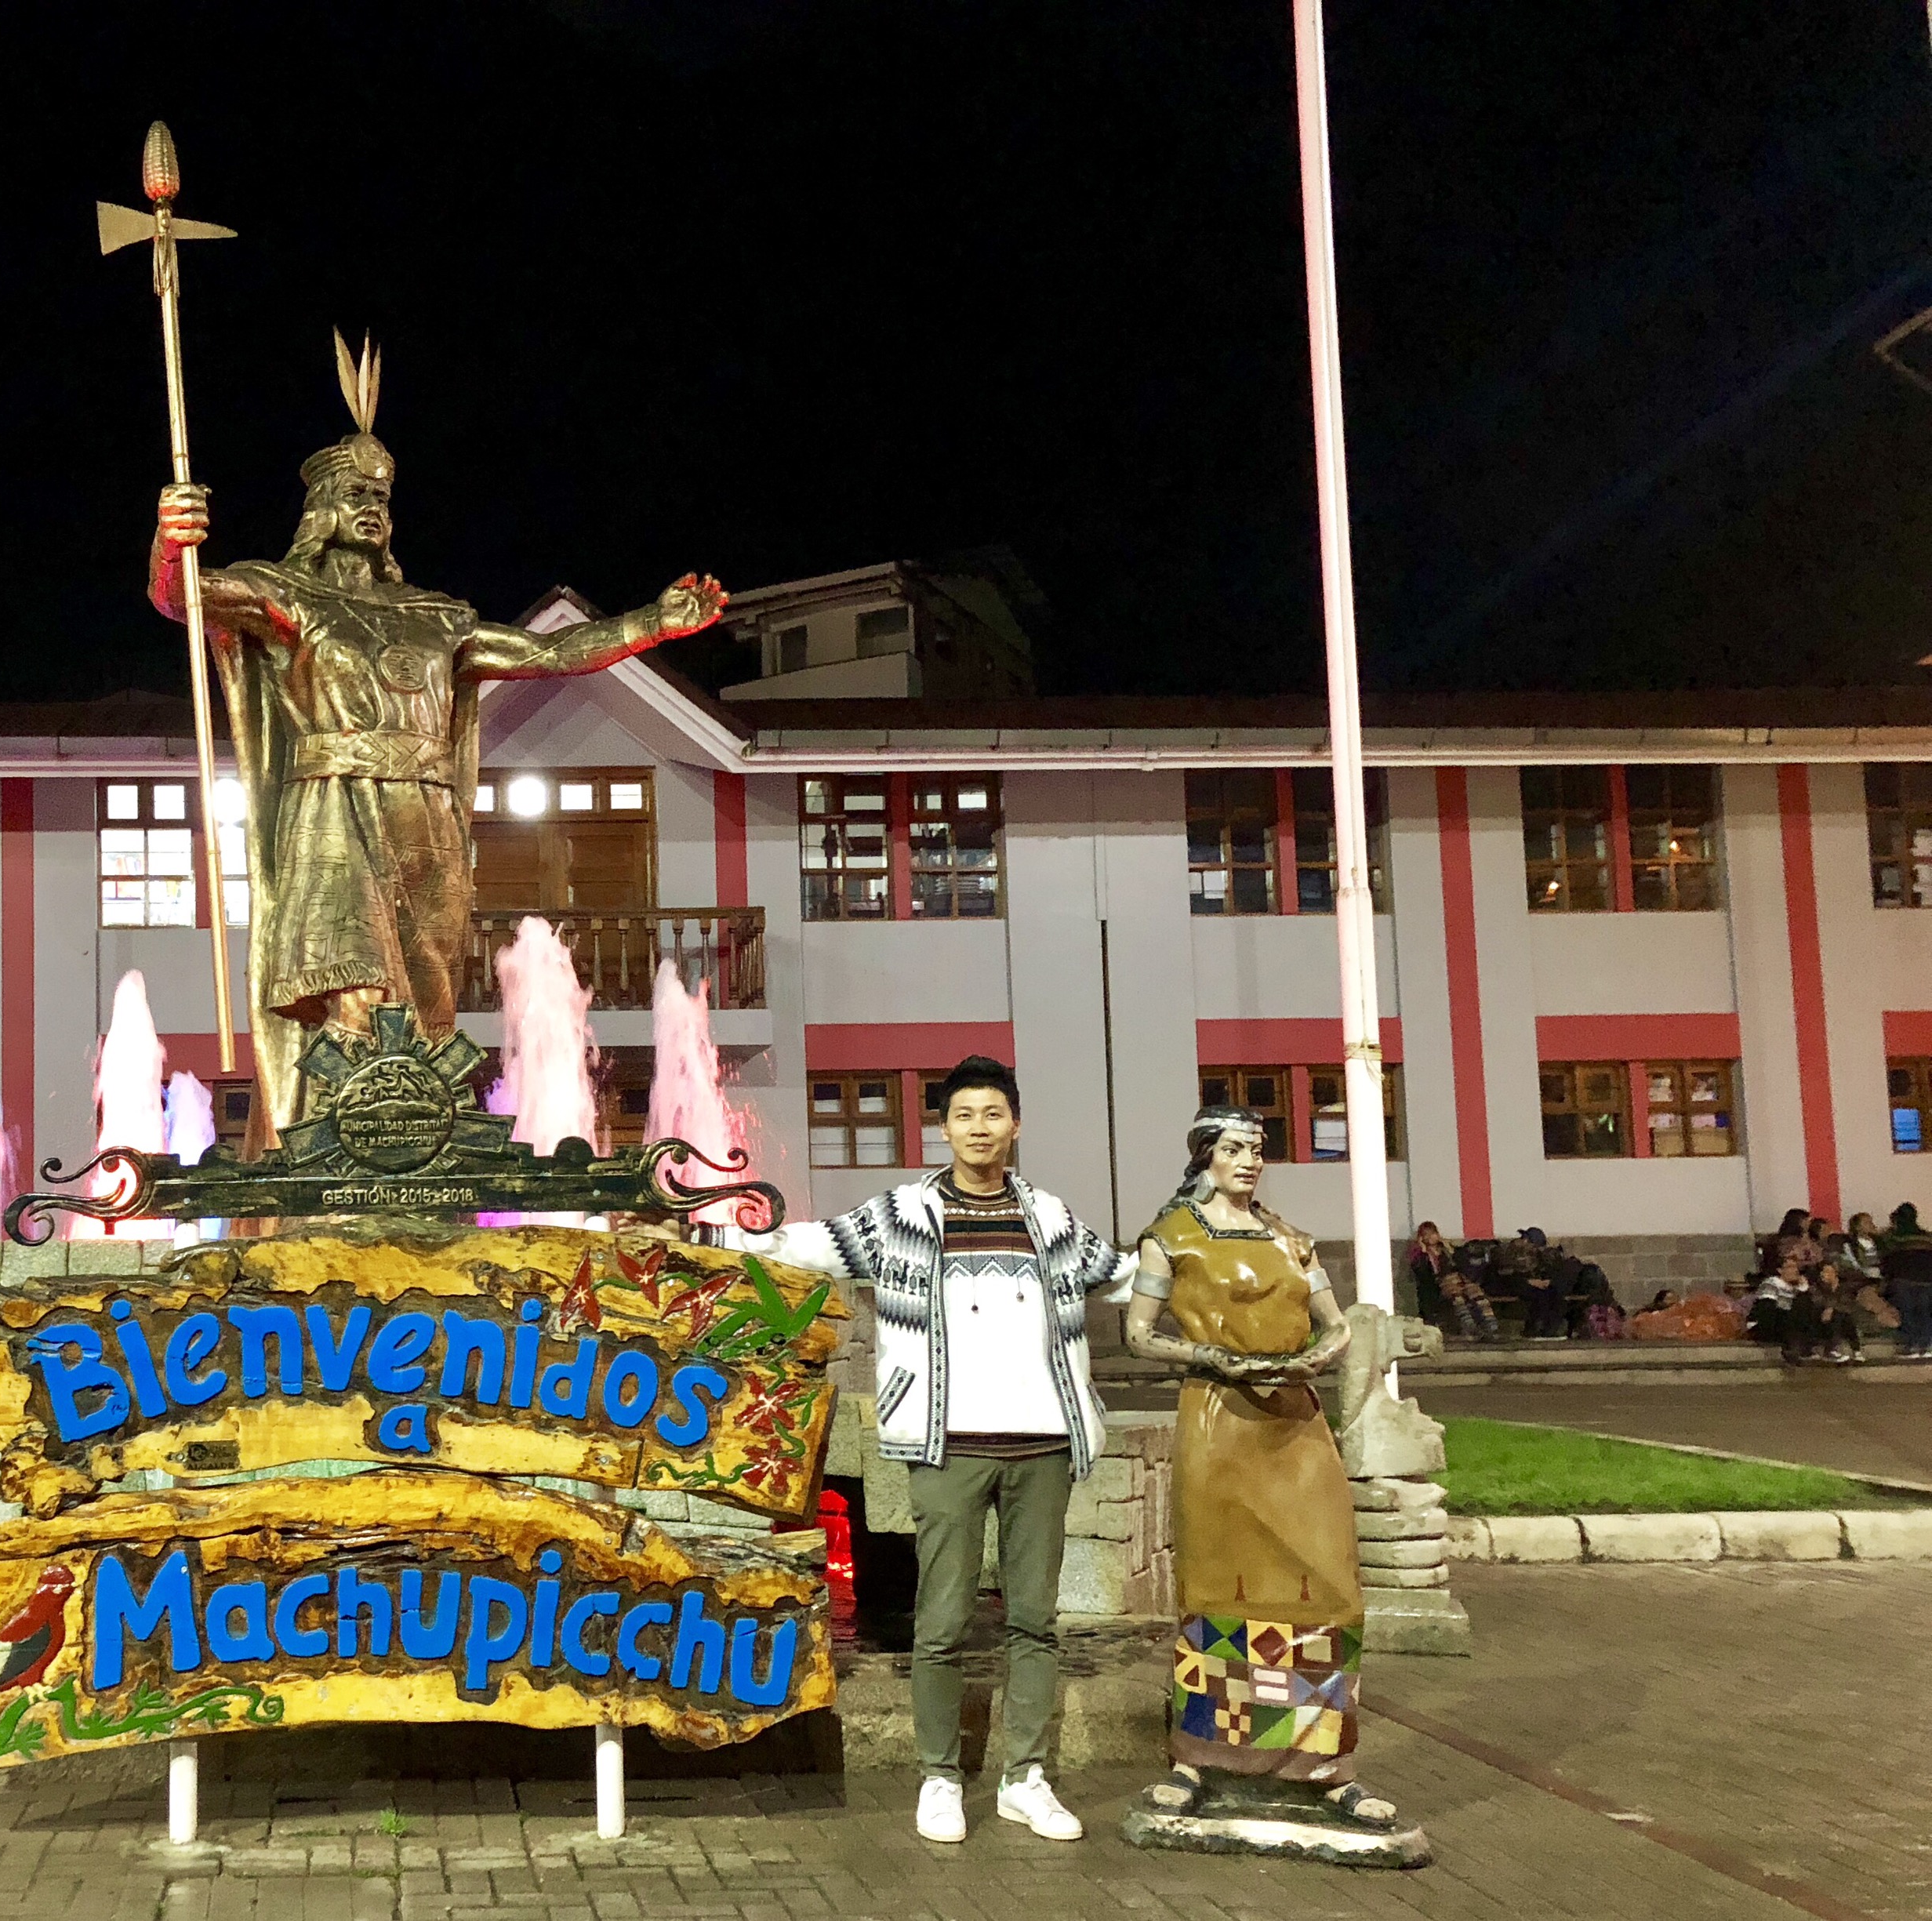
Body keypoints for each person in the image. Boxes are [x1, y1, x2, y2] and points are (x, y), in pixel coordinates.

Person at [148, 338, 727, 1150]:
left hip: (426, 820)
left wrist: (650, 624)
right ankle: (346, 1154)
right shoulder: (288, 594)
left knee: (420, 1002)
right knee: (352, 982)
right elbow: (186, 597)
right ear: (320, 507)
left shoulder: (436, 616)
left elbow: (547, 653)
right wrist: (172, 542)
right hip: (334, 806)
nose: (372, 506)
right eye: (355, 492)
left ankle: (415, 1152)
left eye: (382, 495)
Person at [728, 1055, 1124, 1847]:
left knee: (1035, 1620)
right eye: (964, 1115)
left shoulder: (1049, 1217)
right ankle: (940, 1776)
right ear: (943, 1128)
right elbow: (812, 1245)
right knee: (941, 1620)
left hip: (1043, 1445)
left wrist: (1208, 1258)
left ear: (1016, 1124)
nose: (980, 1128)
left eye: (993, 1114)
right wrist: (717, 1231)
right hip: (947, 1444)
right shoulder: (904, 1215)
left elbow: (1121, 1272)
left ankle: (1026, 1778)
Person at [1124, 1106, 1399, 1833]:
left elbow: (1336, 1324)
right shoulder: (1171, 1238)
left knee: (1327, 1582)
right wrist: (1214, 1358)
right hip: (1220, 1421)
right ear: (1205, 1157)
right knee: (1219, 1584)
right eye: (1233, 1148)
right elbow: (1139, 1334)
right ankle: (1199, 1758)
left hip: (1294, 1421)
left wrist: (1321, 1355)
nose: (1248, 1160)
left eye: (1257, 1149)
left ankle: (1325, 1761)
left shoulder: (1290, 1240)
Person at [1883, 1203, 1932, 1360]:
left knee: (1906, 1312)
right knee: (1924, 1312)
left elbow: (1887, 1259)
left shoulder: (1892, 1237)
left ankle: (1911, 1346)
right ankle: (1927, 1346)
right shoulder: (1927, 1237)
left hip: (1902, 1281)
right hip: (1927, 1281)